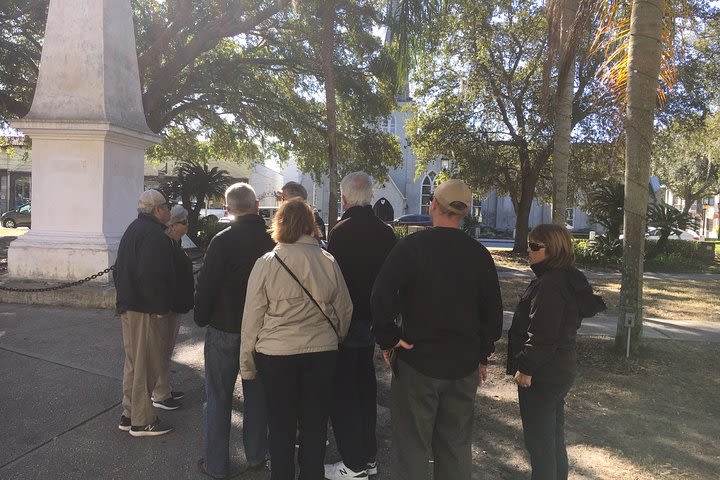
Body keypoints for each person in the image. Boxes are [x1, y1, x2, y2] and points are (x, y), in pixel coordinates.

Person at [371, 179, 503, 480]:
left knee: (413, 447)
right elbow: (493, 316)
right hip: (463, 365)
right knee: (456, 447)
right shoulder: (479, 254)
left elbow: (380, 297)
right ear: (464, 213)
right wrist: (482, 354)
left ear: (433, 205)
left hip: (418, 362)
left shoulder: (411, 248)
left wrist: (389, 339)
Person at [240, 199, 353, 480]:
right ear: (310, 225)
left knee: (280, 427)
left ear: (279, 224)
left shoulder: (266, 263)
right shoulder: (328, 261)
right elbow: (345, 309)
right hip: (321, 352)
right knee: (315, 426)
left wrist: (246, 364)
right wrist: (335, 337)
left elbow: (252, 318)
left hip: (276, 355)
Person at [506, 224, 606, 480]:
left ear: (553, 249)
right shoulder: (566, 278)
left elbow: (543, 334)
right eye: (529, 244)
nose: (528, 250)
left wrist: (526, 367)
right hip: (559, 368)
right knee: (551, 438)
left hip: (543, 373)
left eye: (535, 246)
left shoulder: (550, 284)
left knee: (540, 444)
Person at [194, 183, 276, 478]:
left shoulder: (222, 241)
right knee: (257, 396)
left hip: (224, 327)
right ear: (256, 204)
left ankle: (216, 464)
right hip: (262, 331)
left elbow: (207, 285)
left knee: (217, 397)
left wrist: (201, 317)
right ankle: (256, 455)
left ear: (227, 209)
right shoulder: (272, 241)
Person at [324, 172, 396, 479]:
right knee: (366, 388)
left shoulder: (339, 232)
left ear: (343, 198)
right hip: (374, 321)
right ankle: (368, 455)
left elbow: (332, 281)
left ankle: (353, 463)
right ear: (370, 195)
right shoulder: (386, 232)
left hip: (345, 320)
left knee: (343, 390)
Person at [115, 189, 175, 437]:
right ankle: (142, 421)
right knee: (145, 366)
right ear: (158, 210)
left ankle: (129, 414)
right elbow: (151, 276)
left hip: (130, 304)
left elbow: (120, 270)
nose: (169, 210)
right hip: (145, 308)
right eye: (167, 206)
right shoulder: (154, 234)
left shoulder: (133, 228)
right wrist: (160, 308)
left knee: (133, 364)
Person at [150, 205, 194, 411]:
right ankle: (159, 393)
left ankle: (163, 388)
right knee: (161, 350)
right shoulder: (166, 245)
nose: (187, 225)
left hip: (176, 305)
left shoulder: (175, 244)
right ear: (172, 225)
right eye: (184, 222)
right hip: (167, 306)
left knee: (166, 351)